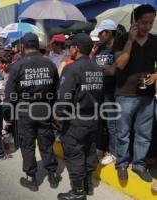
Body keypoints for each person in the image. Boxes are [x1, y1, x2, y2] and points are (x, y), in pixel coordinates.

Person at [4, 32, 60, 192]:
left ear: (23, 46)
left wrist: (8, 113)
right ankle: (52, 175)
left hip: (25, 110)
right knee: (46, 142)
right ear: (37, 45)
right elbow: (56, 91)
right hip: (44, 109)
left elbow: (10, 93)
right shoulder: (49, 64)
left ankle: (32, 179)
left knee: (27, 145)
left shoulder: (17, 65)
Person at [55, 33, 104, 200]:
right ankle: (87, 186)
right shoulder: (97, 68)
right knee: (89, 150)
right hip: (94, 118)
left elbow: (64, 96)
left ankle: (77, 192)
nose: (69, 49)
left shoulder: (72, 68)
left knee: (74, 153)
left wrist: (58, 116)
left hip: (75, 119)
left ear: (76, 48)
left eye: (70, 47)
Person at [113, 4, 157, 182]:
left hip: (147, 95)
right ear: (134, 22)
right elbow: (120, 64)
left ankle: (139, 164)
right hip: (125, 94)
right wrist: (130, 41)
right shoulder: (122, 39)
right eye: (143, 22)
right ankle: (122, 164)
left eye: (151, 22)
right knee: (122, 132)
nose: (147, 26)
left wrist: (155, 75)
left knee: (144, 133)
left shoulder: (155, 41)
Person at [91, 19, 118, 165]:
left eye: (101, 33)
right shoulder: (99, 49)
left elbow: (116, 70)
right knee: (99, 121)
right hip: (99, 91)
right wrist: (105, 69)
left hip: (113, 92)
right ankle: (100, 148)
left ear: (109, 33)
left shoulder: (118, 49)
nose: (100, 36)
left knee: (112, 123)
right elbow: (94, 67)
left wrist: (106, 70)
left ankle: (114, 152)